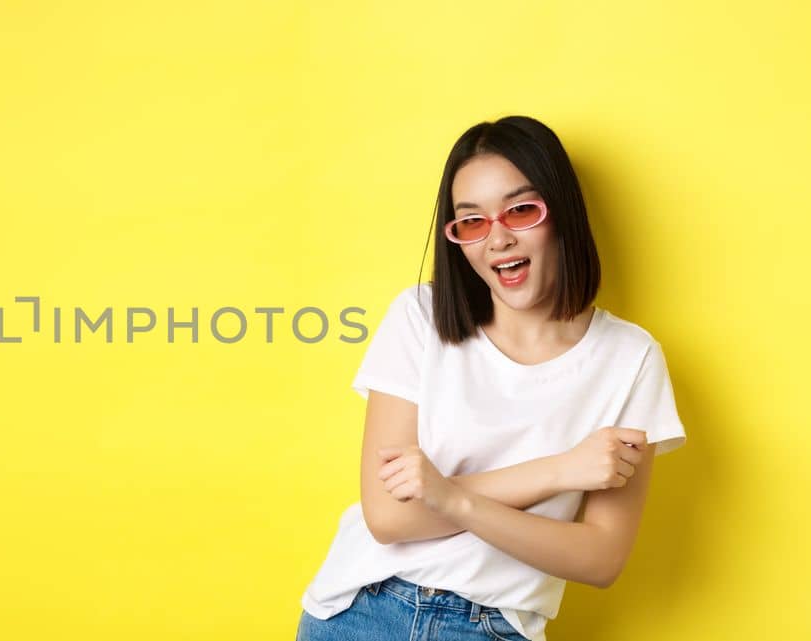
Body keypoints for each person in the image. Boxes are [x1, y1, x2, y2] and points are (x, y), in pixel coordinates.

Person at [295, 115, 688, 641]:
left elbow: (600, 559)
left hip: (491, 629)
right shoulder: (420, 317)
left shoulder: (630, 359)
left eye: (520, 210)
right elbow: (388, 519)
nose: (497, 239)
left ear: (561, 214)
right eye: (472, 222)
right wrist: (560, 471)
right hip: (361, 611)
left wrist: (450, 497)